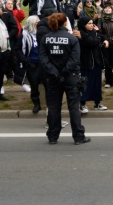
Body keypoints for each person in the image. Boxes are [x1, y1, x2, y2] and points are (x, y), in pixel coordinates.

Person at [38, 13, 89, 145]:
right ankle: (78, 136)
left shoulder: (45, 38)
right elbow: (74, 59)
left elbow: (43, 60)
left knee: (54, 107)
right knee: (73, 107)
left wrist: (55, 72)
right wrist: (64, 72)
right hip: (70, 77)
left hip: (53, 77)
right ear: (65, 23)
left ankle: (53, 136)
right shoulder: (72, 39)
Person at [76, 16, 109, 113]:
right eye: (89, 23)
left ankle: (97, 103)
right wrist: (101, 41)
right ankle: (82, 104)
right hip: (85, 63)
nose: (91, 25)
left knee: (96, 84)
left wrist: (105, 40)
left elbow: (103, 37)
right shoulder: (80, 34)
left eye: (92, 23)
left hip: (96, 63)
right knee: (84, 84)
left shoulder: (94, 33)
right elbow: (91, 42)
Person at [18, 16, 43, 114]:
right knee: (34, 85)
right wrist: (26, 61)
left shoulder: (42, 33)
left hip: (43, 63)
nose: (39, 24)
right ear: (32, 24)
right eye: (37, 22)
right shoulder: (24, 34)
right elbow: (18, 50)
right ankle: (36, 104)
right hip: (32, 63)